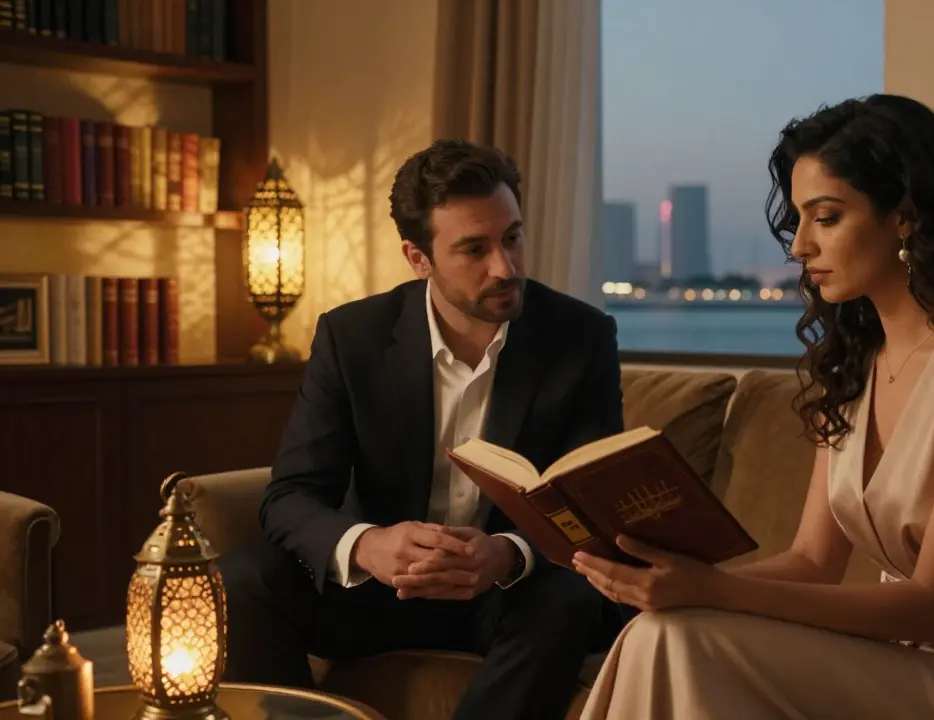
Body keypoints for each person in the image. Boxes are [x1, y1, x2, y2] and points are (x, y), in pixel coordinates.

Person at [572, 94, 934, 719]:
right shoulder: (859, 364)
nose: (799, 245)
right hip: (905, 662)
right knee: (661, 629)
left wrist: (714, 591)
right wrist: (675, 584)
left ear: (904, 217)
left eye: (825, 218)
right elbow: (812, 561)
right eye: (798, 220)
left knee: (683, 636)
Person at [219, 139, 631, 720]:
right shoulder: (352, 337)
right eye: (474, 249)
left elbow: (591, 505)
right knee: (239, 581)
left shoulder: (580, 337)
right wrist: (368, 545)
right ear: (418, 258)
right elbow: (291, 497)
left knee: (567, 600)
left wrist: (507, 554)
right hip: (381, 588)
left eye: (512, 237)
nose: (505, 266)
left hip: (508, 595)